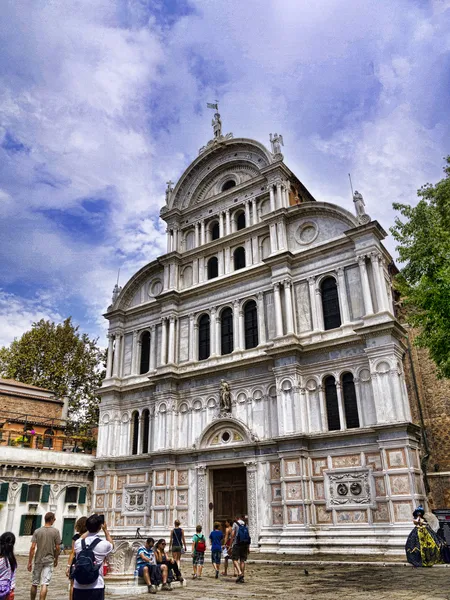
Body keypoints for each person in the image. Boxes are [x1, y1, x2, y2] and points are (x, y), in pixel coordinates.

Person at [73, 514, 114, 600]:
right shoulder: (103, 544)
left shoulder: (78, 543)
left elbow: (81, 538)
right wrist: (105, 530)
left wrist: (89, 529)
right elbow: (111, 545)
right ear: (99, 528)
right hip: (96, 585)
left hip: (78, 585)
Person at [28, 511, 61, 600]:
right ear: (51, 520)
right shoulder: (56, 531)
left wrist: (29, 562)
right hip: (49, 559)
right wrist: (56, 559)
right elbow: (58, 548)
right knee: (44, 584)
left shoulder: (37, 531)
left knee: (34, 583)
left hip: (38, 559)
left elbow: (32, 547)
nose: (54, 520)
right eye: (54, 519)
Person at [66, 517, 87, 600]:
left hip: (76, 562)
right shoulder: (89, 537)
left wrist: (68, 566)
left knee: (73, 584)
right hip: (85, 561)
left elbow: (73, 552)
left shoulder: (76, 537)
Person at [231, 515, 251, 583]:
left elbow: (233, 535)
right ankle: (242, 576)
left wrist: (230, 545)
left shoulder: (235, 524)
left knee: (234, 559)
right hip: (245, 544)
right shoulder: (246, 525)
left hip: (237, 544)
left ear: (237, 518)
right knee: (242, 560)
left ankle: (239, 573)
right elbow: (248, 535)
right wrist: (248, 547)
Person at [0, 532, 17, 600]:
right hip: (6, 591)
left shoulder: (1, 560)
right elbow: (13, 577)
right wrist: (11, 590)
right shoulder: (12, 560)